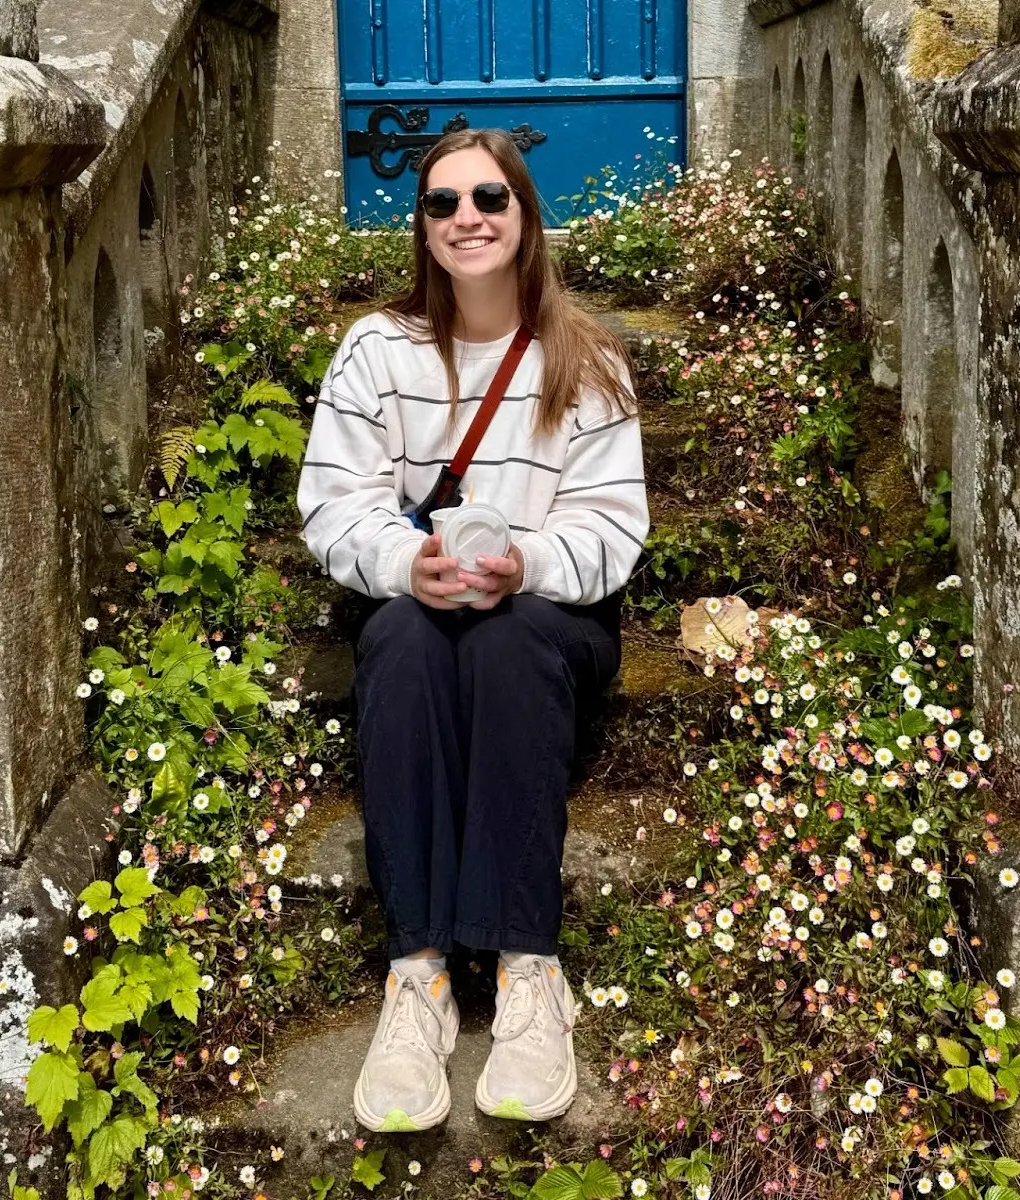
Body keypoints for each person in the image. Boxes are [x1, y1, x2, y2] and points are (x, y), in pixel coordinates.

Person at [296, 128, 649, 1132]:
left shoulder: (587, 359)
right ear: (422, 227)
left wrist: (523, 567)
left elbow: (610, 528)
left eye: (489, 198)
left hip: (547, 632)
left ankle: (528, 971)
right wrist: (410, 565)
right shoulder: (378, 350)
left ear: (525, 216)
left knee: (506, 638)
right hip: (421, 613)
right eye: (442, 204)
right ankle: (418, 980)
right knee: (400, 642)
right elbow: (336, 503)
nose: (467, 219)